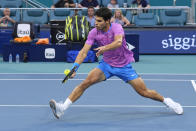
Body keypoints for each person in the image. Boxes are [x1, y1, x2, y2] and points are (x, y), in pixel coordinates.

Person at [49, 7, 183, 119]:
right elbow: (84, 51)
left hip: (124, 66)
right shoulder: (93, 32)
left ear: (107, 21)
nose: (96, 23)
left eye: (99, 21)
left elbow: (118, 42)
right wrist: (75, 68)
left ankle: (168, 102)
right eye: (95, 20)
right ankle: (62, 108)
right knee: (85, 83)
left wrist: (104, 48)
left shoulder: (117, 28)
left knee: (144, 92)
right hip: (106, 65)